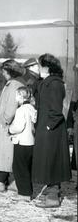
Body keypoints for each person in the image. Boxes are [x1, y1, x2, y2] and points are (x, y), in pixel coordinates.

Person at [31, 54, 71, 208]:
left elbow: (56, 109)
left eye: (40, 66)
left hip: (51, 129)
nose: (38, 69)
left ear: (47, 67)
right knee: (47, 159)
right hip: (46, 127)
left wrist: (48, 126)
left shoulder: (54, 84)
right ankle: (51, 189)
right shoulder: (46, 82)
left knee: (51, 159)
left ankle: (53, 195)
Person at [0, 59, 25, 193]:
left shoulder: (14, 86)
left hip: (6, 127)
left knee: (4, 153)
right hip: (4, 126)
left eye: (3, 70)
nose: (2, 73)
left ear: (8, 71)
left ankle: (1, 181)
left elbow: (11, 107)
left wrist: (4, 121)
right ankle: (8, 180)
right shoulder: (12, 84)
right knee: (4, 154)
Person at [8, 86, 37, 202]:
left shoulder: (21, 110)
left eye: (16, 95)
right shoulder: (32, 108)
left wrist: (10, 129)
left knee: (19, 167)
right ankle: (27, 191)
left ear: (20, 96)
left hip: (21, 142)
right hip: (30, 142)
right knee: (27, 167)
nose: (15, 97)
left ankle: (24, 193)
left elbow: (18, 126)